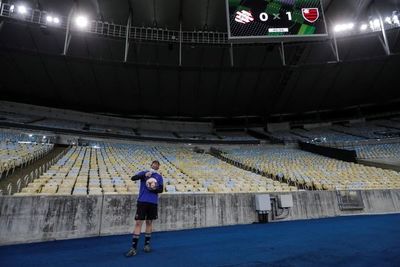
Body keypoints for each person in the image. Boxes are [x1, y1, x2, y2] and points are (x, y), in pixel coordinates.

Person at [125, 160, 164, 257]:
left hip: (153, 202)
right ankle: (133, 248)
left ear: (158, 167)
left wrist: (155, 188)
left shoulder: (159, 177)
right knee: (138, 222)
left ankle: (146, 245)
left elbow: (161, 190)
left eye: (157, 164)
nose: (155, 165)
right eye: (154, 164)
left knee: (149, 222)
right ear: (151, 165)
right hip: (142, 201)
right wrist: (144, 175)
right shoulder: (144, 173)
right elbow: (133, 178)